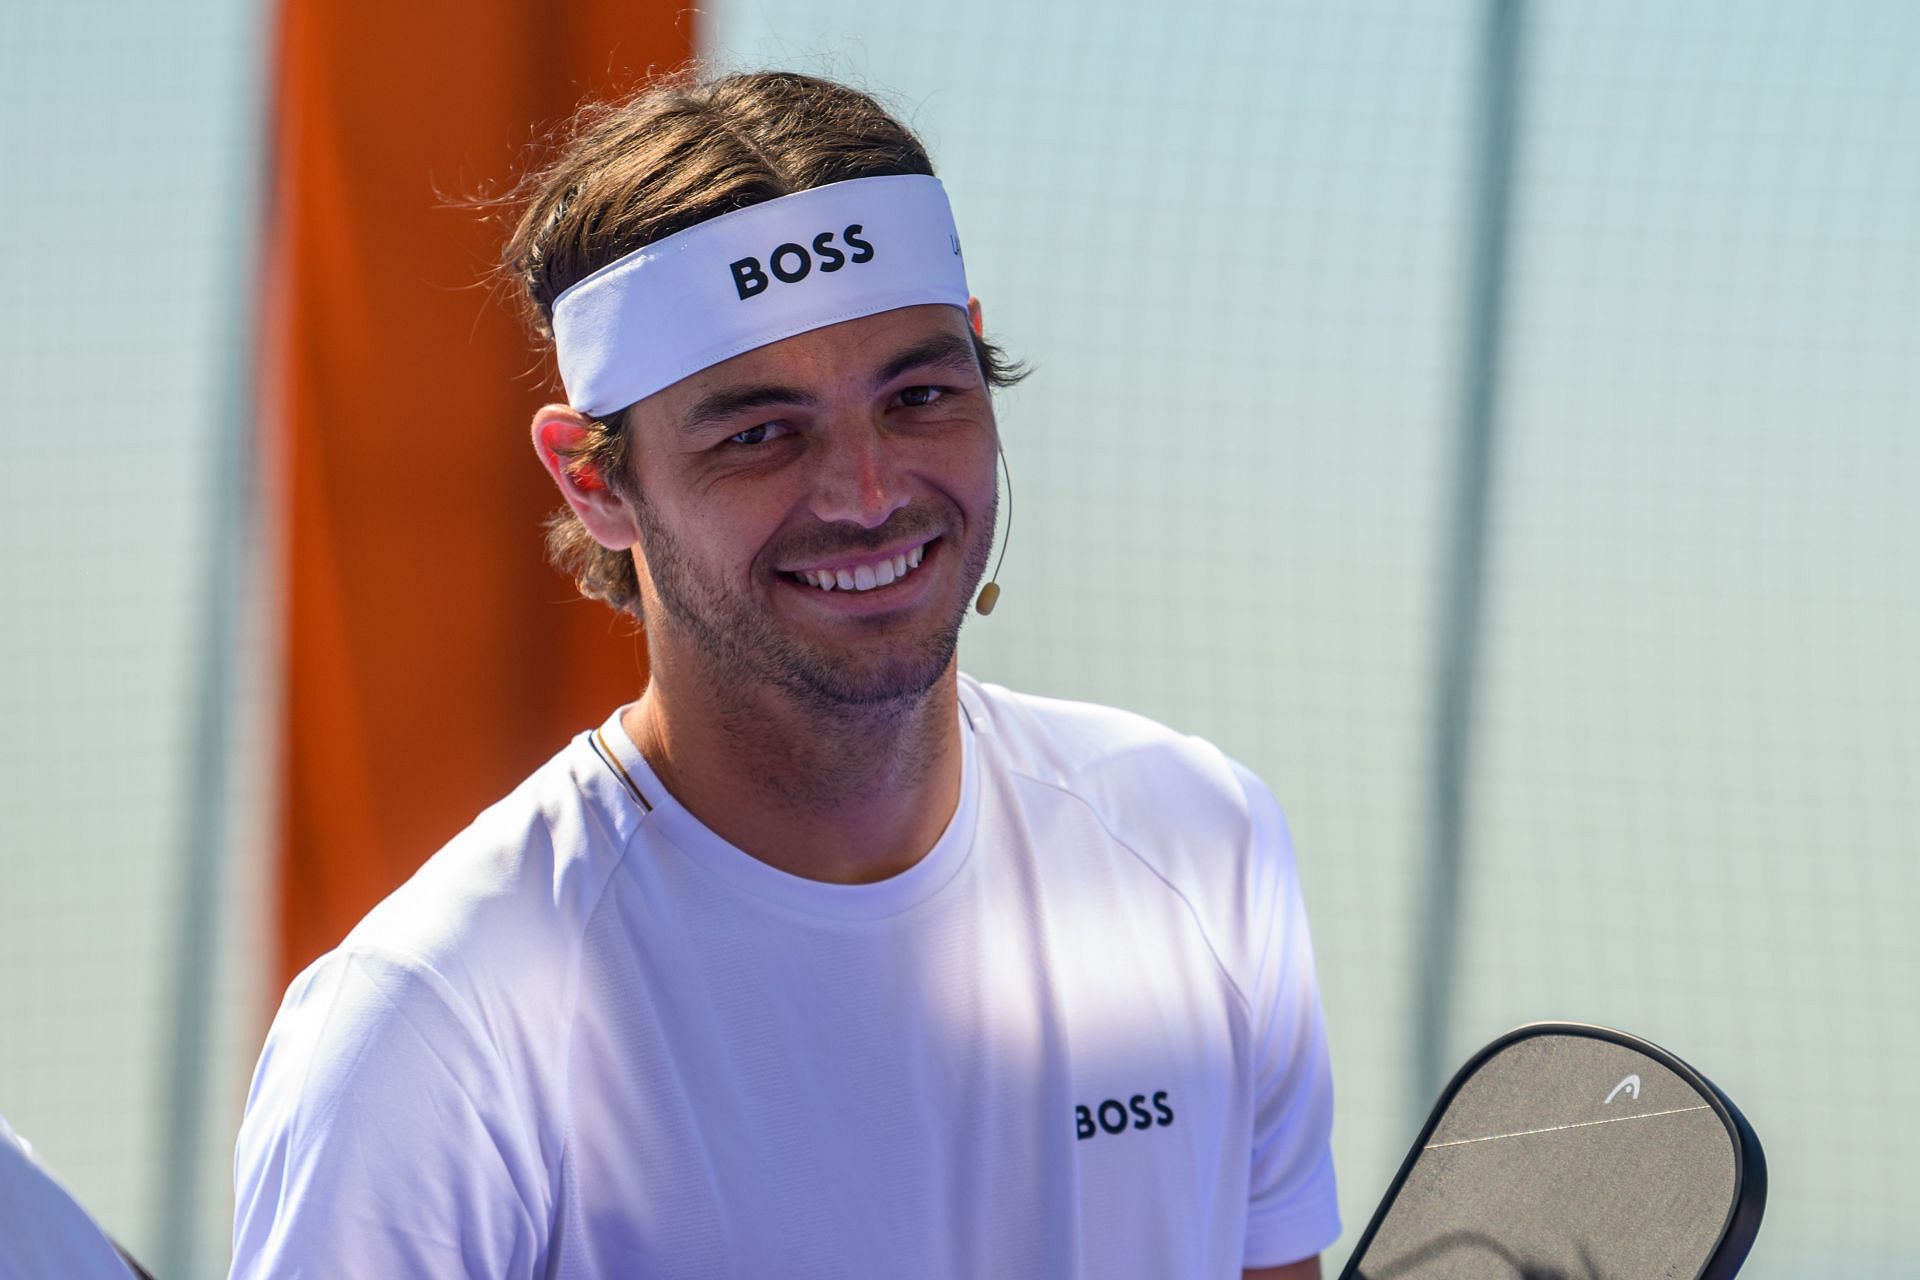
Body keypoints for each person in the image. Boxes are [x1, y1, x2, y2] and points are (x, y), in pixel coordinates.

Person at [231, 69, 1339, 1279]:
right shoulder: (433, 1020)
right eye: (759, 431)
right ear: (593, 479)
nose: (867, 493)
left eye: (918, 395)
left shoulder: (1198, 841)